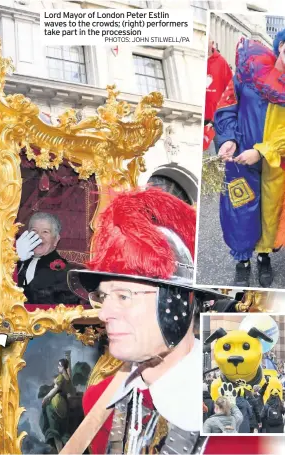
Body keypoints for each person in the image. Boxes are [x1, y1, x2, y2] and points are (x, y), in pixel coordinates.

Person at [61, 187, 240, 454]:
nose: (103, 313)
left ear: (180, 300)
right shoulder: (98, 401)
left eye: (123, 296)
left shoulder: (244, 404)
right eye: (102, 296)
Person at [216, 29, 285, 287]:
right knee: (239, 208)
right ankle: (242, 259)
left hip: (276, 162)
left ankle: (264, 256)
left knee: (270, 210)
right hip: (239, 159)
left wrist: (263, 151)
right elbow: (226, 106)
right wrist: (229, 139)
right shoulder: (249, 70)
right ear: (280, 46)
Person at [15, 212, 80, 304]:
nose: (38, 236)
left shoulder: (65, 273)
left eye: (45, 232)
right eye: (34, 231)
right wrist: (14, 258)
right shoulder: (16, 261)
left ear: (56, 240)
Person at [204, 37, 233, 155]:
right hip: (195, 117)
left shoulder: (221, 63)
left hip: (215, 121)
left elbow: (231, 91)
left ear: (212, 43)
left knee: (217, 157)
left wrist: (216, 118)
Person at [40, 359, 75, 453]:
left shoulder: (61, 377)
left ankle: (60, 452)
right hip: (65, 405)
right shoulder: (68, 379)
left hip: (57, 404)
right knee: (64, 432)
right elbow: (72, 392)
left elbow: (55, 389)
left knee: (54, 430)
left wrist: (46, 397)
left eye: (59, 365)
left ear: (63, 367)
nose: (58, 367)